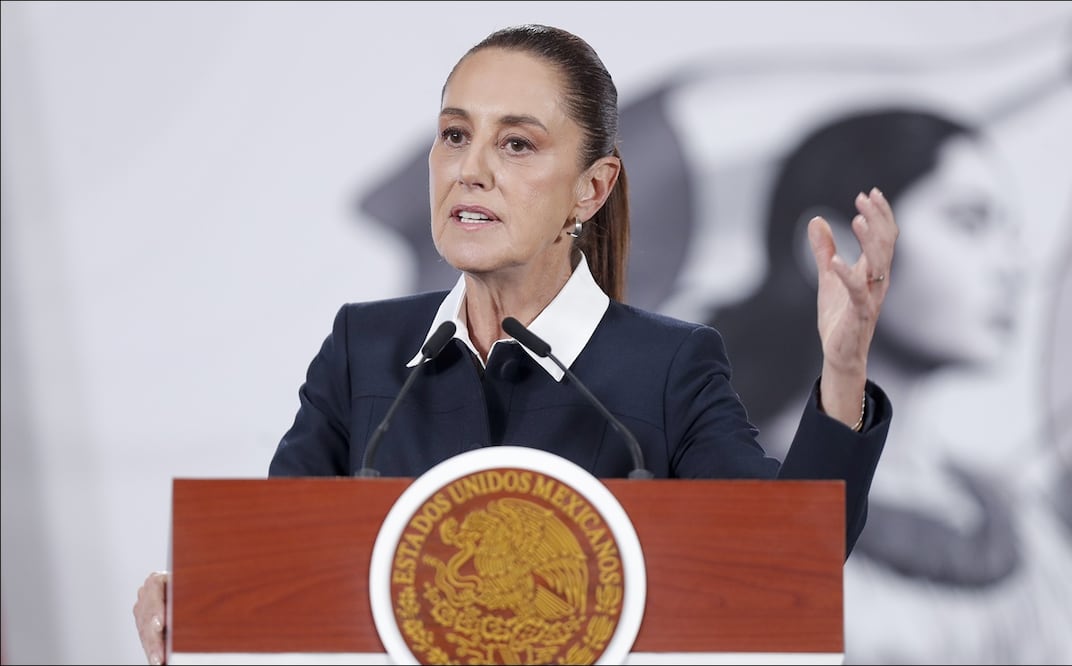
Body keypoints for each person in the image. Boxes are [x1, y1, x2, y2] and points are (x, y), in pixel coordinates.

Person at [132, 24, 897, 665]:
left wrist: (840, 369)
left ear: (590, 189)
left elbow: (787, 562)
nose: (470, 169)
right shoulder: (364, 349)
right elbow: (277, 578)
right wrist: (197, 608)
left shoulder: (668, 366)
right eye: (454, 135)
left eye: (517, 145)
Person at [706, 107, 1072, 664]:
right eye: (970, 222)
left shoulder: (1028, 529)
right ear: (838, 251)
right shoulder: (720, 506)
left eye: (1011, 231)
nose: (1015, 264)